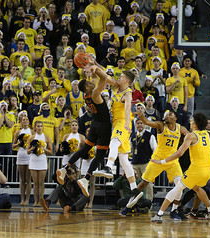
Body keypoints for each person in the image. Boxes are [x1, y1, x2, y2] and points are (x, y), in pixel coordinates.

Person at [150, 112, 210, 223]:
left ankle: (159, 214)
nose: (190, 122)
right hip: (209, 168)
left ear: (195, 124)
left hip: (197, 169)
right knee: (197, 188)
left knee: (177, 189)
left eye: (192, 121)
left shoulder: (191, 136)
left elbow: (179, 153)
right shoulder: (208, 133)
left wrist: (162, 161)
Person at [56, 63, 112, 199]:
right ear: (87, 87)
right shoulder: (95, 93)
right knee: (100, 155)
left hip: (94, 124)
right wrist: (98, 69)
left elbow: (94, 79)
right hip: (103, 126)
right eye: (88, 83)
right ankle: (86, 178)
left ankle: (64, 168)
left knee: (85, 149)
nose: (91, 82)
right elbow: (104, 79)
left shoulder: (87, 95)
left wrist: (92, 67)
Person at [121, 110, 187, 217]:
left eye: (170, 115)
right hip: (157, 159)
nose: (167, 116)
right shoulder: (161, 125)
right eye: (166, 115)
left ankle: (174, 211)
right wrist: (141, 115)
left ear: (175, 118)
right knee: (143, 184)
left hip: (172, 161)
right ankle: (128, 206)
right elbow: (147, 122)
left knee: (180, 185)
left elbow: (189, 137)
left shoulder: (181, 128)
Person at [93, 70, 143, 205]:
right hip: (116, 123)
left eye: (121, 77)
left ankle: (108, 167)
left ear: (127, 80)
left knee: (114, 141)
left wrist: (127, 124)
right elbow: (105, 76)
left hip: (123, 123)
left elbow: (128, 109)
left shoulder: (127, 93)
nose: (118, 78)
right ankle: (134, 189)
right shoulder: (116, 86)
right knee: (123, 159)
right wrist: (95, 65)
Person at [27, 121, 53, 206]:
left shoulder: (47, 138)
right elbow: (27, 151)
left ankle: (41, 201)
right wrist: (33, 148)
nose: (40, 128)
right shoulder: (31, 138)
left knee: (41, 182)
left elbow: (51, 152)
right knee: (35, 183)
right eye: (38, 126)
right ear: (35, 127)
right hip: (33, 160)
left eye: (41, 126)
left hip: (42, 160)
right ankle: (35, 201)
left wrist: (43, 148)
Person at [131, 118, 157, 201]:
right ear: (135, 125)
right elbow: (130, 149)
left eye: (141, 123)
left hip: (145, 163)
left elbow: (155, 149)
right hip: (134, 163)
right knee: (135, 183)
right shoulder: (133, 136)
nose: (140, 125)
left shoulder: (149, 135)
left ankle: (149, 200)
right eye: (138, 123)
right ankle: (137, 201)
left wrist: (152, 161)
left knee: (147, 182)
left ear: (145, 125)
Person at [12, 115, 34, 206]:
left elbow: (35, 143)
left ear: (29, 121)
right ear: (21, 121)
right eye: (23, 120)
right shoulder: (18, 132)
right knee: (22, 179)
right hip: (21, 155)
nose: (25, 121)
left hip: (29, 156)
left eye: (27, 119)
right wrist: (19, 144)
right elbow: (13, 146)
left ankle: (27, 199)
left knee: (28, 179)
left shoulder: (32, 132)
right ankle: (22, 199)